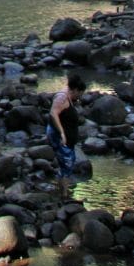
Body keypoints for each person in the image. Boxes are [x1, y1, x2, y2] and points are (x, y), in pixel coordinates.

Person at [46, 71, 87, 199]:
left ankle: (62, 189)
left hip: (66, 138)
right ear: (75, 90)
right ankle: (64, 195)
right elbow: (53, 113)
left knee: (67, 162)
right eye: (80, 94)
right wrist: (62, 133)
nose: (80, 97)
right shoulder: (63, 98)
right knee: (67, 164)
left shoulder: (68, 94)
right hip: (60, 137)